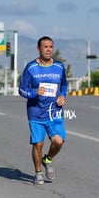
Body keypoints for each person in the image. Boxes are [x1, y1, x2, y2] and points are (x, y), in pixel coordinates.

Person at [18, 36, 68, 185]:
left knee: (58, 142)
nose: (48, 49)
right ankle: (38, 172)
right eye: (45, 47)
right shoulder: (31, 68)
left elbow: (64, 85)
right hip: (36, 112)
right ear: (38, 49)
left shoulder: (59, 66)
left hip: (54, 111)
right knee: (38, 144)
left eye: (50, 47)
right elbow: (21, 90)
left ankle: (48, 159)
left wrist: (63, 96)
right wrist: (34, 93)